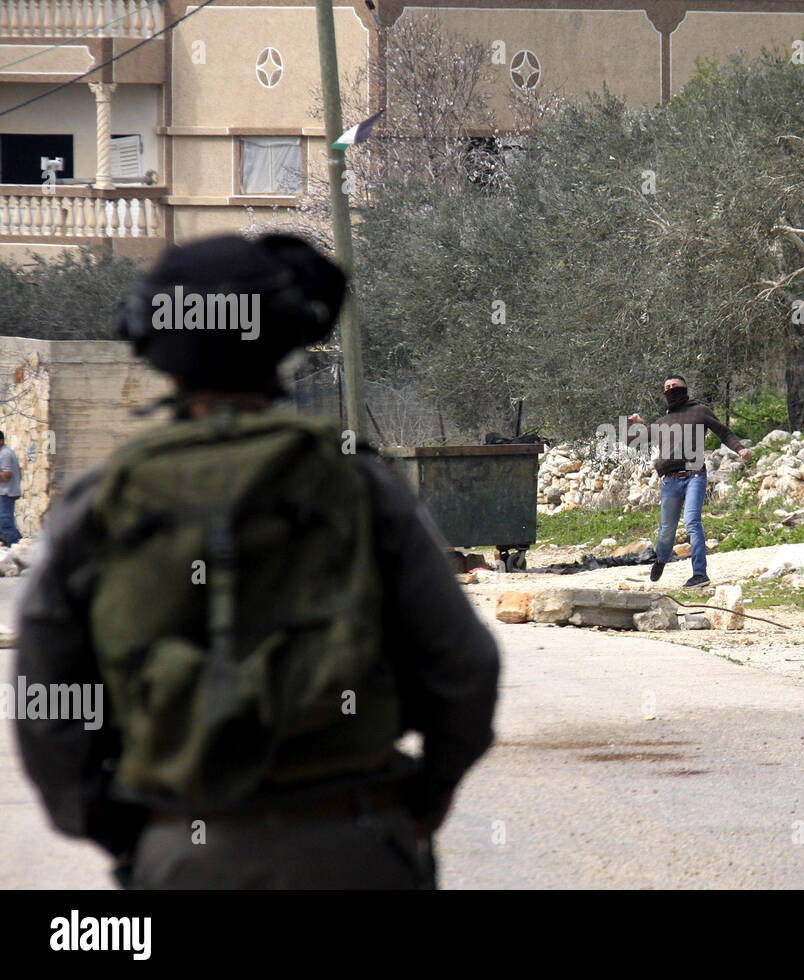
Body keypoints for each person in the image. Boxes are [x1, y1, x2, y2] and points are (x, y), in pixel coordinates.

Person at [14, 233, 499, 889]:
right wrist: (428, 794)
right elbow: (464, 666)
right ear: (286, 339)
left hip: (182, 853)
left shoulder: (99, 502)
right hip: (354, 846)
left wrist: (108, 822)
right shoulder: (362, 488)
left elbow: (46, 693)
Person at [628, 374, 751, 588]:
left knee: (692, 521)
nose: (671, 388)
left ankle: (700, 574)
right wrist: (633, 424)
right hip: (670, 480)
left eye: (675, 385)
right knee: (667, 528)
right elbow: (631, 441)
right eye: (667, 386)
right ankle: (662, 559)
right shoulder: (663, 422)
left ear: (685, 388)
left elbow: (724, 432)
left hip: (695, 475)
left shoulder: (700, 411)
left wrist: (740, 448)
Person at [0, 430, 21, 546]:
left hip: (7, 493)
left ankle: (14, 544)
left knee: (5, 521)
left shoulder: (5, 454)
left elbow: (7, 474)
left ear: (1, 441)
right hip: (4, 492)